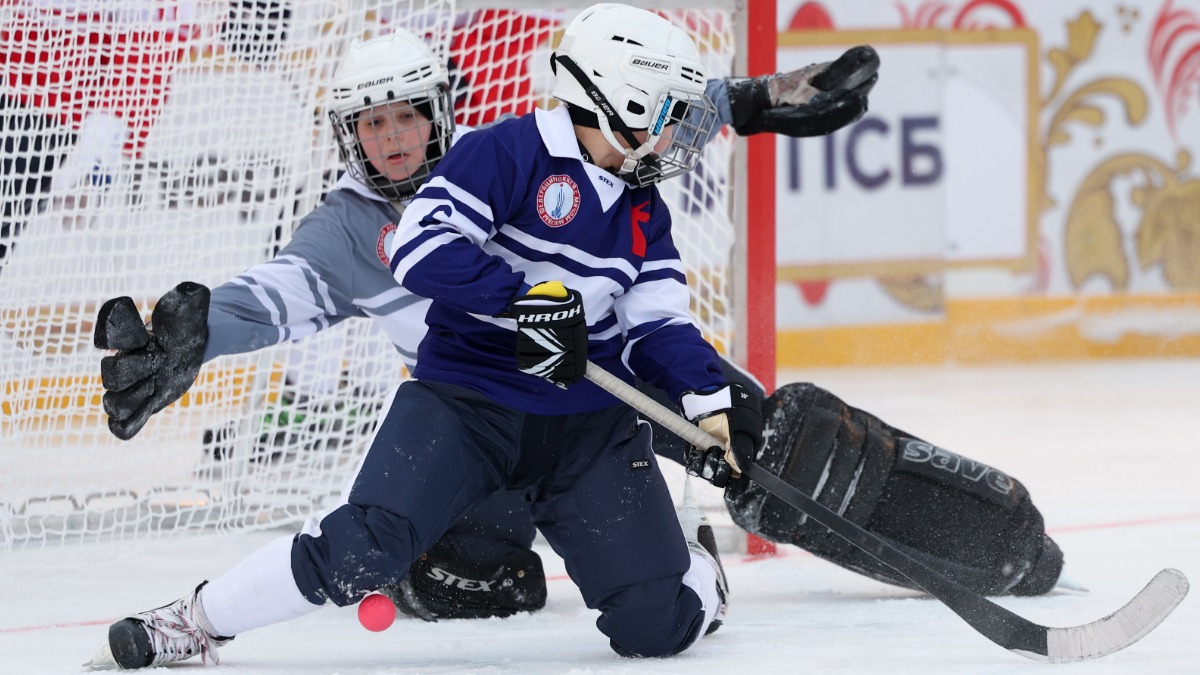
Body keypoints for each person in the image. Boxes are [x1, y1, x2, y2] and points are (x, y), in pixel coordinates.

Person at [88, 9, 1058, 667]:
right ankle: (203, 620)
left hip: (600, 382)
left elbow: (630, 125)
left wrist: (751, 101)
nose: (393, 138)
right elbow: (279, 293)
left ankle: (986, 537)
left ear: (443, 109)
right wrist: (200, 333)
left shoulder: (515, 149)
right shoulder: (352, 232)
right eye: (370, 123)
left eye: (409, 115)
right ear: (347, 134)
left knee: (759, 443)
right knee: (453, 572)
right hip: (469, 415)